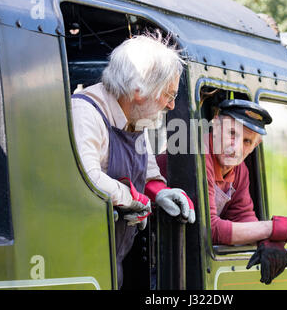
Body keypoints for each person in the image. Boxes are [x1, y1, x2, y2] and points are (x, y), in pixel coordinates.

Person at [71, 32, 195, 288]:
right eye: (168, 95)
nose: (171, 106)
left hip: (112, 262)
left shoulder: (136, 119)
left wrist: (160, 192)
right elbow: (87, 178)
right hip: (79, 265)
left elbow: (147, 172)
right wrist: (131, 198)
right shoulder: (85, 113)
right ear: (139, 90)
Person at [205, 99, 287, 284]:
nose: (236, 148)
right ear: (215, 125)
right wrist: (280, 229)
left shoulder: (239, 171)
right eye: (232, 133)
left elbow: (242, 216)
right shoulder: (197, 155)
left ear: (256, 145)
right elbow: (210, 228)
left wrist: (267, 241)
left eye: (247, 141)